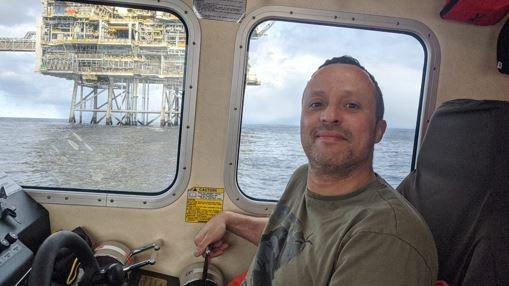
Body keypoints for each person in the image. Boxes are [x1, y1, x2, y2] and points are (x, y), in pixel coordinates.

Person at [194, 56, 438, 285]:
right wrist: (230, 219)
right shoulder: (302, 177)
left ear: (378, 130)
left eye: (351, 105)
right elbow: (294, 242)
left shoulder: (385, 238)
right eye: (316, 104)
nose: (329, 116)